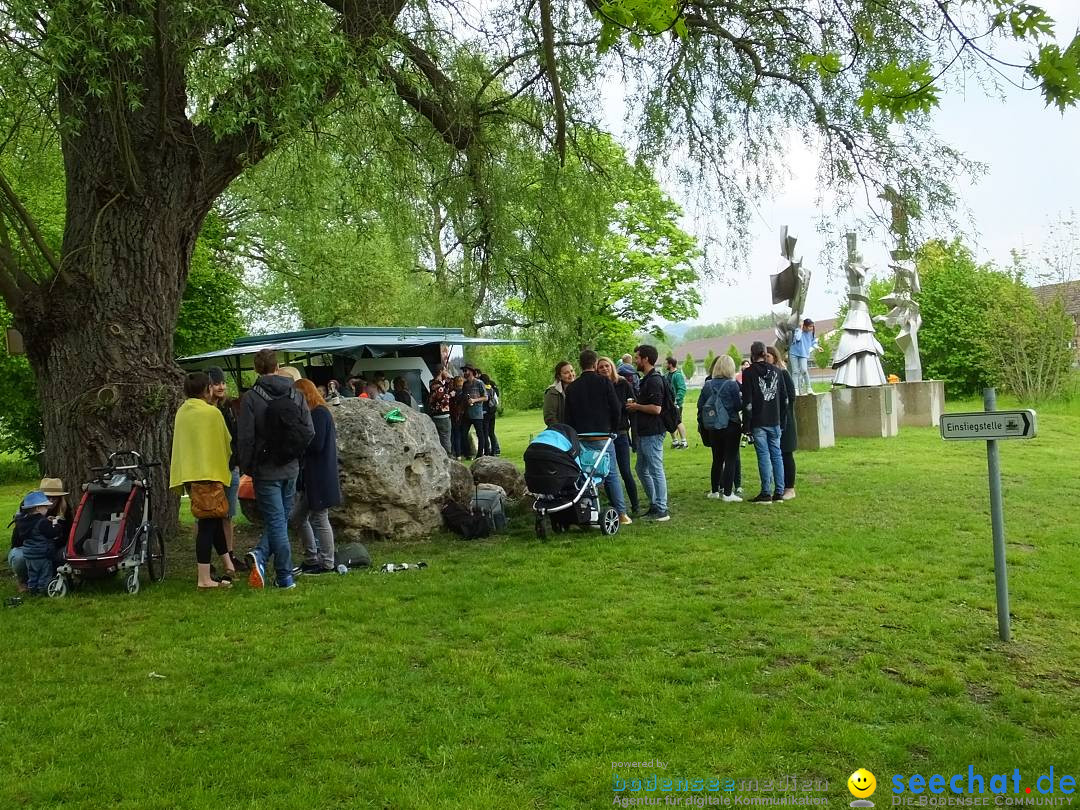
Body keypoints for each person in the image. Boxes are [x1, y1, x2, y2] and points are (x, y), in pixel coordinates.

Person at [239, 349, 315, 590]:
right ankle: (263, 558)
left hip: (265, 469)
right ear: (278, 366)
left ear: (256, 369)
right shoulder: (296, 394)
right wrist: (296, 455)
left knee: (276, 521)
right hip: (291, 467)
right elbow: (309, 431)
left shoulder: (251, 398)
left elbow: (245, 438)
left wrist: (248, 465)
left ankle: (283, 575)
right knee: (281, 519)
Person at [170, 372, 237, 589]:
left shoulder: (182, 412)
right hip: (210, 473)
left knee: (214, 519)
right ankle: (204, 578)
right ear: (207, 389)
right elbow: (226, 442)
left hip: (190, 474)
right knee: (208, 525)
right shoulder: (212, 413)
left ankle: (228, 564)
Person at [564, 349, 632, 526]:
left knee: (586, 474)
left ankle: (591, 512)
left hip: (581, 437)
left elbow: (568, 416)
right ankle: (622, 513)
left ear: (580, 365)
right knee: (611, 474)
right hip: (603, 435)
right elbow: (616, 408)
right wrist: (613, 428)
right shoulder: (604, 382)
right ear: (595, 364)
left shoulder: (572, 387)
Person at [294, 379, 341, 574]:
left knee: (320, 518)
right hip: (315, 475)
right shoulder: (318, 413)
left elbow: (317, 444)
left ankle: (327, 562)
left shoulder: (319, 414)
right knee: (298, 517)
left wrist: (299, 438)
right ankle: (313, 557)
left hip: (320, 475)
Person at [207, 366, 247, 572]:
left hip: (230, 467)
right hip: (211, 470)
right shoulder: (204, 411)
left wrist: (238, 462)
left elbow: (235, 436)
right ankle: (207, 559)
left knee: (228, 514)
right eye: (216, 383)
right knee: (206, 515)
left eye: (222, 382)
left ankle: (229, 555)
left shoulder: (228, 408)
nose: (221, 387)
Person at [627, 344, 670, 521]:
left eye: (637, 357)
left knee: (655, 468)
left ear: (645, 359)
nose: (635, 360)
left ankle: (661, 508)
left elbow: (657, 408)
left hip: (653, 431)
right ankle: (655, 503)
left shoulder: (654, 380)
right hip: (645, 431)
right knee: (641, 468)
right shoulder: (647, 379)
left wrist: (636, 406)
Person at [741, 341, 787, 504]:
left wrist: (745, 426)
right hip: (775, 420)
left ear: (752, 354)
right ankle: (779, 492)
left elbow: (747, 402)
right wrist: (782, 421)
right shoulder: (777, 371)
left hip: (758, 421)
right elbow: (784, 399)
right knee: (777, 455)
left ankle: (766, 492)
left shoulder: (748, 373)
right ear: (764, 353)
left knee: (764, 455)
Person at [9, 478, 71, 593]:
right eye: (48, 497)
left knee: (65, 554)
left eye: (55, 497)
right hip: (31, 549)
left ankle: (46, 582)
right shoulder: (27, 513)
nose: (51, 501)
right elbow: (18, 539)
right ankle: (26, 581)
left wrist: (54, 533)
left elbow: (65, 536)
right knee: (20, 558)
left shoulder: (64, 510)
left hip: (50, 549)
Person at [597, 356, 640, 516]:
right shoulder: (598, 387)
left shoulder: (622, 384)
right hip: (604, 435)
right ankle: (615, 506)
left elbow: (632, 407)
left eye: (607, 366)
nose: (604, 369)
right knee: (608, 472)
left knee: (625, 471)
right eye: (600, 367)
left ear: (612, 367)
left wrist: (634, 436)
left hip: (620, 433)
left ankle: (635, 505)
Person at [699, 355, 744, 502]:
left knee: (717, 459)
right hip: (731, 425)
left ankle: (714, 491)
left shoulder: (707, 385)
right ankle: (728, 493)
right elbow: (738, 406)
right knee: (730, 459)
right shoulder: (733, 385)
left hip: (713, 426)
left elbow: (701, 405)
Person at [766, 346, 799, 500]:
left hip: (784, 420)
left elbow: (791, 396)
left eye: (768, 356)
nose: (765, 359)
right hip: (771, 420)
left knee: (786, 454)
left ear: (774, 357)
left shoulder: (783, 373)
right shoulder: (767, 375)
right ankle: (778, 486)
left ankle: (789, 487)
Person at [462, 366, 489, 457]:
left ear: (471, 372)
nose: (464, 373)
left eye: (466, 371)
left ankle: (480, 454)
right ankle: (468, 454)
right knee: (464, 433)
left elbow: (485, 397)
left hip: (477, 413)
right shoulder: (465, 384)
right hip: (467, 413)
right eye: (463, 371)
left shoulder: (479, 383)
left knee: (480, 434)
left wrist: (474, 400)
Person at [788, 318, 819, 395]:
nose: (811, 328)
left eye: (812, 326)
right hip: (794, 353)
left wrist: (817, 347)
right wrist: (801, 328)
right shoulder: (798, 330)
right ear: (804, 326)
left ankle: (809, 388)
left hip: (804, 353)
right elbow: (798, 338)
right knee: (795, 371)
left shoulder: (811, 333)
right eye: (809, 326)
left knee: (804, 370)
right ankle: (796, 389)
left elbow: (813, 342)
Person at [663, 357, 689, 449]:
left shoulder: (677, 375)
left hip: (676, 404)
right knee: (669, 422)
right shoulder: (666, 375)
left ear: (670, 364)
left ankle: (684, 442)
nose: (665, 365)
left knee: (678, 422)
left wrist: (677, 401)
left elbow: (682, 389)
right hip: (668, 403)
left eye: (666, 363)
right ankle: (675, 442)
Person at [427, 368, 453, 455]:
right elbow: (444, 400)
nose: (447, 373)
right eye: (445, 371)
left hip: (435, 415)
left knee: (438, 439)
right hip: (443, 416)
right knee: (445, 438)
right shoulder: (440, 387)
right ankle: (448, 457)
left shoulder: (432, 383)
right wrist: (450, 395)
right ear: (441, 371)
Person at [543, 361, 575, 426]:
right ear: (559, 376)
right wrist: (562, 431)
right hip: (560, 432)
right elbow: (550, 418)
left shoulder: (578, 388)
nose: (571, 374)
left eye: (571, 371)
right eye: (566, 373)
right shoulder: (552, 392)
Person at [479, 372, 501, 456]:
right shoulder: (491, 389)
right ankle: (494, 450)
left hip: (485, 413)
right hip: (492, 412)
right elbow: (496, 401)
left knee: (485, 432)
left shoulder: (483, 390)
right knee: (491, 432)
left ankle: (487, 451)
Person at [449, 375, 470, 459]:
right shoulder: (465, 393)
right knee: (464, 435)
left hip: (455, 416)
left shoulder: (452, 393)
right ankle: (466, 453)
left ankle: (457, 454)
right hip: (464, 416)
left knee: (456, 435)